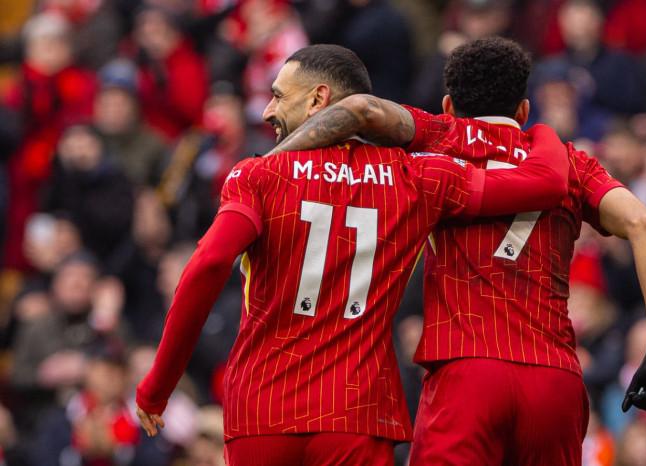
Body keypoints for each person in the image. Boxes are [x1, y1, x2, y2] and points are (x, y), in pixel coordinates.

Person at [135, 44, 570, 466]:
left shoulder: (258, 175)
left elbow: (209, 264)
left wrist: (158, 386)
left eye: (278, 96)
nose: (267, 111)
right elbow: (546, 183)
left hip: (263, 411)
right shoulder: (417, 177)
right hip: (358, 415)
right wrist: (544, 135)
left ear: (318, 99)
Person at [275, 37, 646, 465]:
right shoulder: (571, 163)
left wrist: (269, 164)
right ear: (523, 110)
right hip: (553, 377)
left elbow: (361, 109)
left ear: (448, 105)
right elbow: (645, 225)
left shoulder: (439, 136)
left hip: (466, 371)